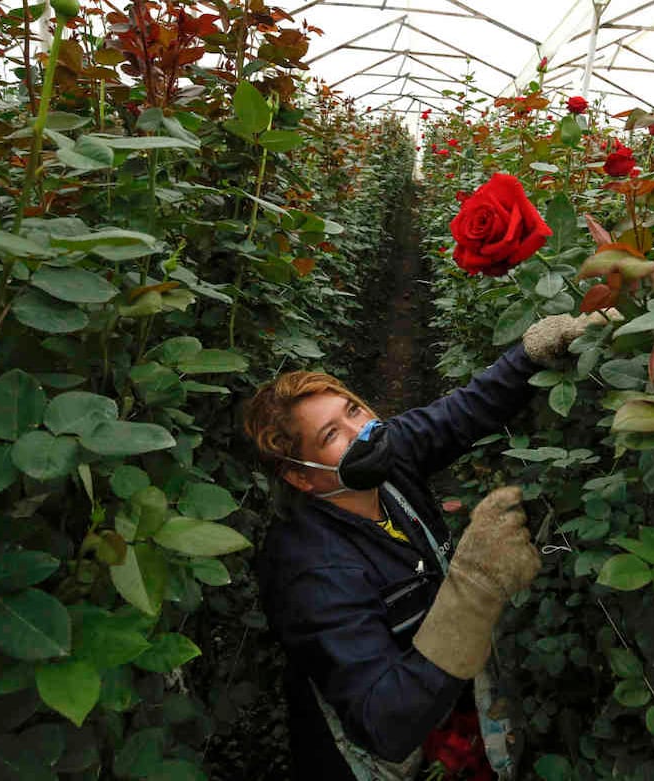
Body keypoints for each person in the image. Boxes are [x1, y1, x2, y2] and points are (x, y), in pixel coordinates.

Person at [243, 312, 609, 780]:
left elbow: (460, 414)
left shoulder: (385, 464)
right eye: (331, 435)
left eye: (353, 411)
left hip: (442, 691)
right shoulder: (311, 571)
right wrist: (474, 587)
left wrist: (530, 354)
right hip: (381, 749)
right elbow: (385, 721)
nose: (360, 432)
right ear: (300, 476)